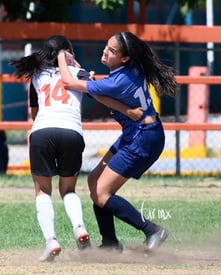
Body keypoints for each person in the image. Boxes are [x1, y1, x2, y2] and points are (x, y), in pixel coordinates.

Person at [10, 35, 142, 262]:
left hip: (43, 131)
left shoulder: (36, 76)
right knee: (68, 190)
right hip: (72, 132)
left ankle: (51, 241)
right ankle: (79, 229)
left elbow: (35, 115)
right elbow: (103, 95)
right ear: (68, 53)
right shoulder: (80, 74)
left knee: (43, 192)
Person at [57, 31, 178, 253]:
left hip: (144, 137)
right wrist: (82, 72)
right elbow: (101, 92)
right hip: (138, 132)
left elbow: (68, 82)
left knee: (101, 193)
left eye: (112, 51)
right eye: (107, 46)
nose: (105, 51)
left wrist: (60, 57)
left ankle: (152, 230)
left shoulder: (117, 81)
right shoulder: (129, 70)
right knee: (94, 181)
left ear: (125, 58)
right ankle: (110, 243)